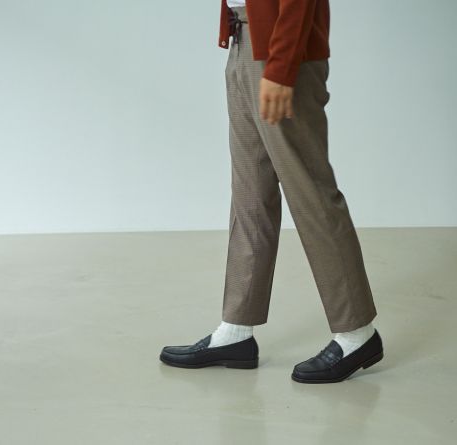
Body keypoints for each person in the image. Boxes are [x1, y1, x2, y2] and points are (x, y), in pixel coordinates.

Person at [159, 0, 384, 383]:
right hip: (242, 40)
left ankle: (357, 332)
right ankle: (236, 329)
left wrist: (281, 66)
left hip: (281, 49)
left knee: (311, 194)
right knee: (250, 195)